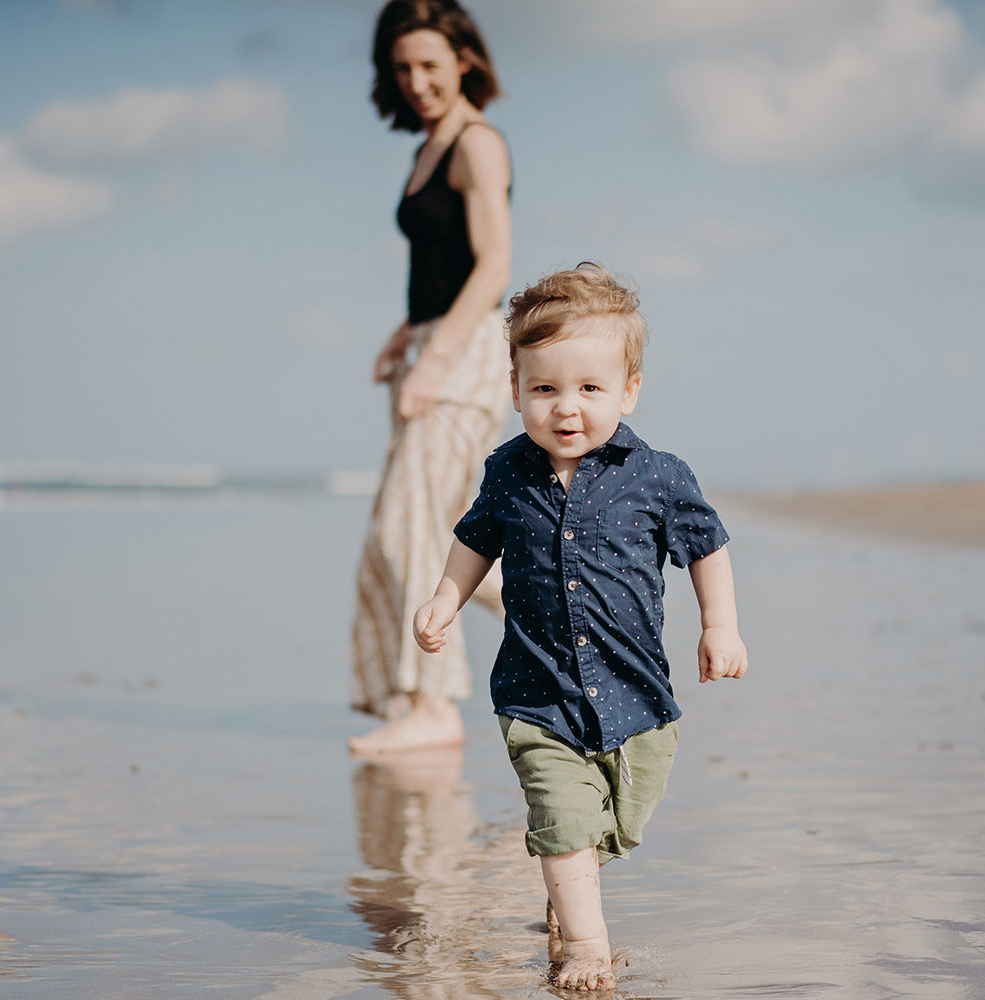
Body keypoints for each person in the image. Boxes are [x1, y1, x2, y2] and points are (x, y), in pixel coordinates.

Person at [412, 265, 749, 991]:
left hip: (636, 695)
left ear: (629, 391)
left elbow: (706, 547)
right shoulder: (507, 471)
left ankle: (570, 880)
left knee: (614, 823)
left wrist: (719, 626)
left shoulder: (657, 475)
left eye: (590, 388)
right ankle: (586, 946)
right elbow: (475, 539)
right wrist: (444, 598)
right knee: (563, 816)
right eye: (545, 389)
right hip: (536, 693)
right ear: (516, 390)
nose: (567, 408)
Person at [350, 0, 513, 754]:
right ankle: (571, 624)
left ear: (464, 60)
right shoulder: (429, 145)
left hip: (463, 357)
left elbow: (494, 266)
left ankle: (434, 706)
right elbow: (440, 267)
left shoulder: (476, 143)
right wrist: (405, 335)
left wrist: (437, 359)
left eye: (429, 65)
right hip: (431, 346)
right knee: (449, 535)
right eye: (403, 68)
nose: (416, 82)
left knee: (408, 528)